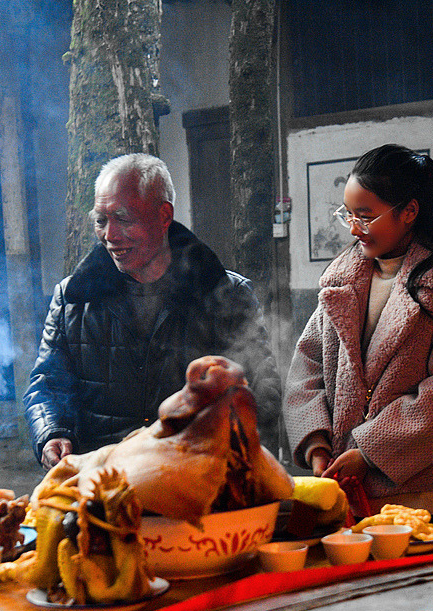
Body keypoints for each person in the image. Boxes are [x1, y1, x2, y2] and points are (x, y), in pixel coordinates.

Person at [283, 144, 433, 539]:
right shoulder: (342, 278)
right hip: (347, 502)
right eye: (348, 215)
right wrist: (316, 444)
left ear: (409, 212)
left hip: (422, 505)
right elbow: (306, 367)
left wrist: (369, 452)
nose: (354, 228)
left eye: (366, 216)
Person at [24, 153, 281, 468]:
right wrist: (53, 431)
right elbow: (49, 382)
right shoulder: (73, 298)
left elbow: (262, 390)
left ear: (163, 216)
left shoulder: (226, 294)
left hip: (195, 476)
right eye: (101, 220)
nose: (110, 235)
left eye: (124, 218)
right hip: (100, 478)